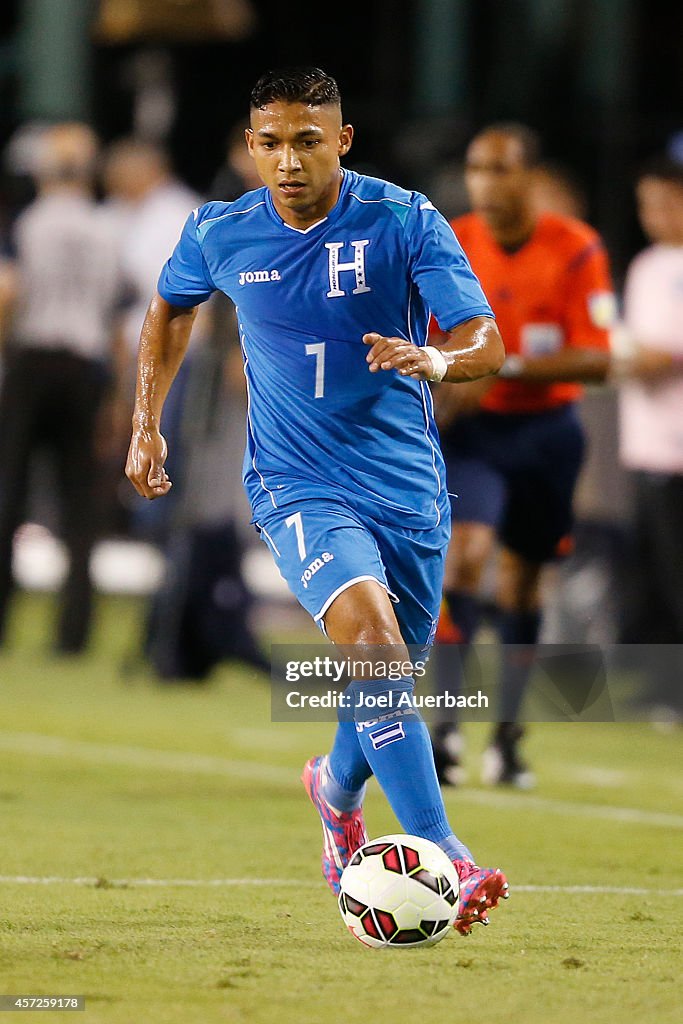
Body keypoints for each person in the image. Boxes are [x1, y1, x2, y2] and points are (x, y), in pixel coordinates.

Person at [126, 66, 509, 934]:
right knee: (371, 646)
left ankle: (334, 790)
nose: (288, 160)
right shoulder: (219, 231)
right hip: (297, 483)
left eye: (307, 140)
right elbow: (168, 311)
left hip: (407, 486)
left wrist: (441, 361)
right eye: (270, 142)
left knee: (385, 677)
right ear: (250, 145)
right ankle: (447, 853)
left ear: (341, 140)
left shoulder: (404, 220)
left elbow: (484, 338)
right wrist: (148, 422)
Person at [429, 123, 615, 787]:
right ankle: (444, 732)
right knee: (465, 558)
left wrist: (495, 371)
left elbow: (595, 357)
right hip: (473, 436)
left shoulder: (574, 247)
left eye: (499, 168)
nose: (484, 181)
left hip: (544, 433)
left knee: (522, 583)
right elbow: (427, 336)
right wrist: (446, 376)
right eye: (476, 167)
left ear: (527, 178)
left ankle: (506, 738)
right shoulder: (451, 238)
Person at [0, 123, 122, 653]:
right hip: (86, 369)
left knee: (10, 496)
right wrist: (120, 396)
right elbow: (123, 318)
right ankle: (74, 633)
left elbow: (7, 293)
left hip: (32, 361)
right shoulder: (106, 228)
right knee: (82, 506)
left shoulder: (28, 222)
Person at [615, 155, 683, 722]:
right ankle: (660, 688)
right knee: (651, 577)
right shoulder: (647, 265)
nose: (654, 215)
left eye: (666, 202)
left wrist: (611, 357)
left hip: (678, 447)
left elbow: (661, 355)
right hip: (649, 445)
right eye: (647, 204)